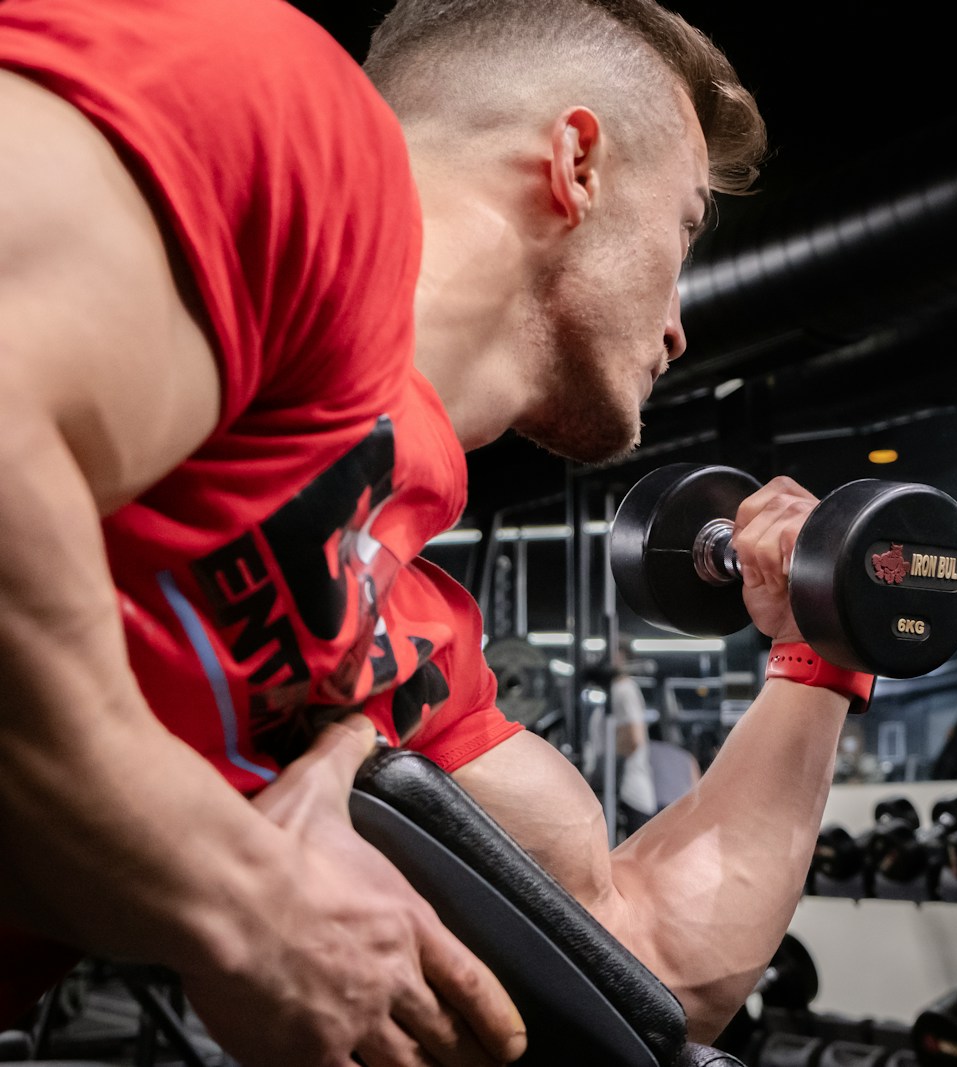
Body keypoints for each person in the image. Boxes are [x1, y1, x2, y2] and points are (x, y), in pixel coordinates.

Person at [0, 0, 866, 1061]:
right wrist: (232, 892)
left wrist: (820, 649)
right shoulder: (274, 117)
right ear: (576, 163)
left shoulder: (391, 631)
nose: (680, 322)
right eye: (682, 227)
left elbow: (634, 961)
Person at [583, 650, 657, 836]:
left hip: (628, 794)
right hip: (616, 793)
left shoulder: (624, 689)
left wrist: (604, 774)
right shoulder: (613, 692)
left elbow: (633, 739)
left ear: (622, 658)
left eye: (612, 653)